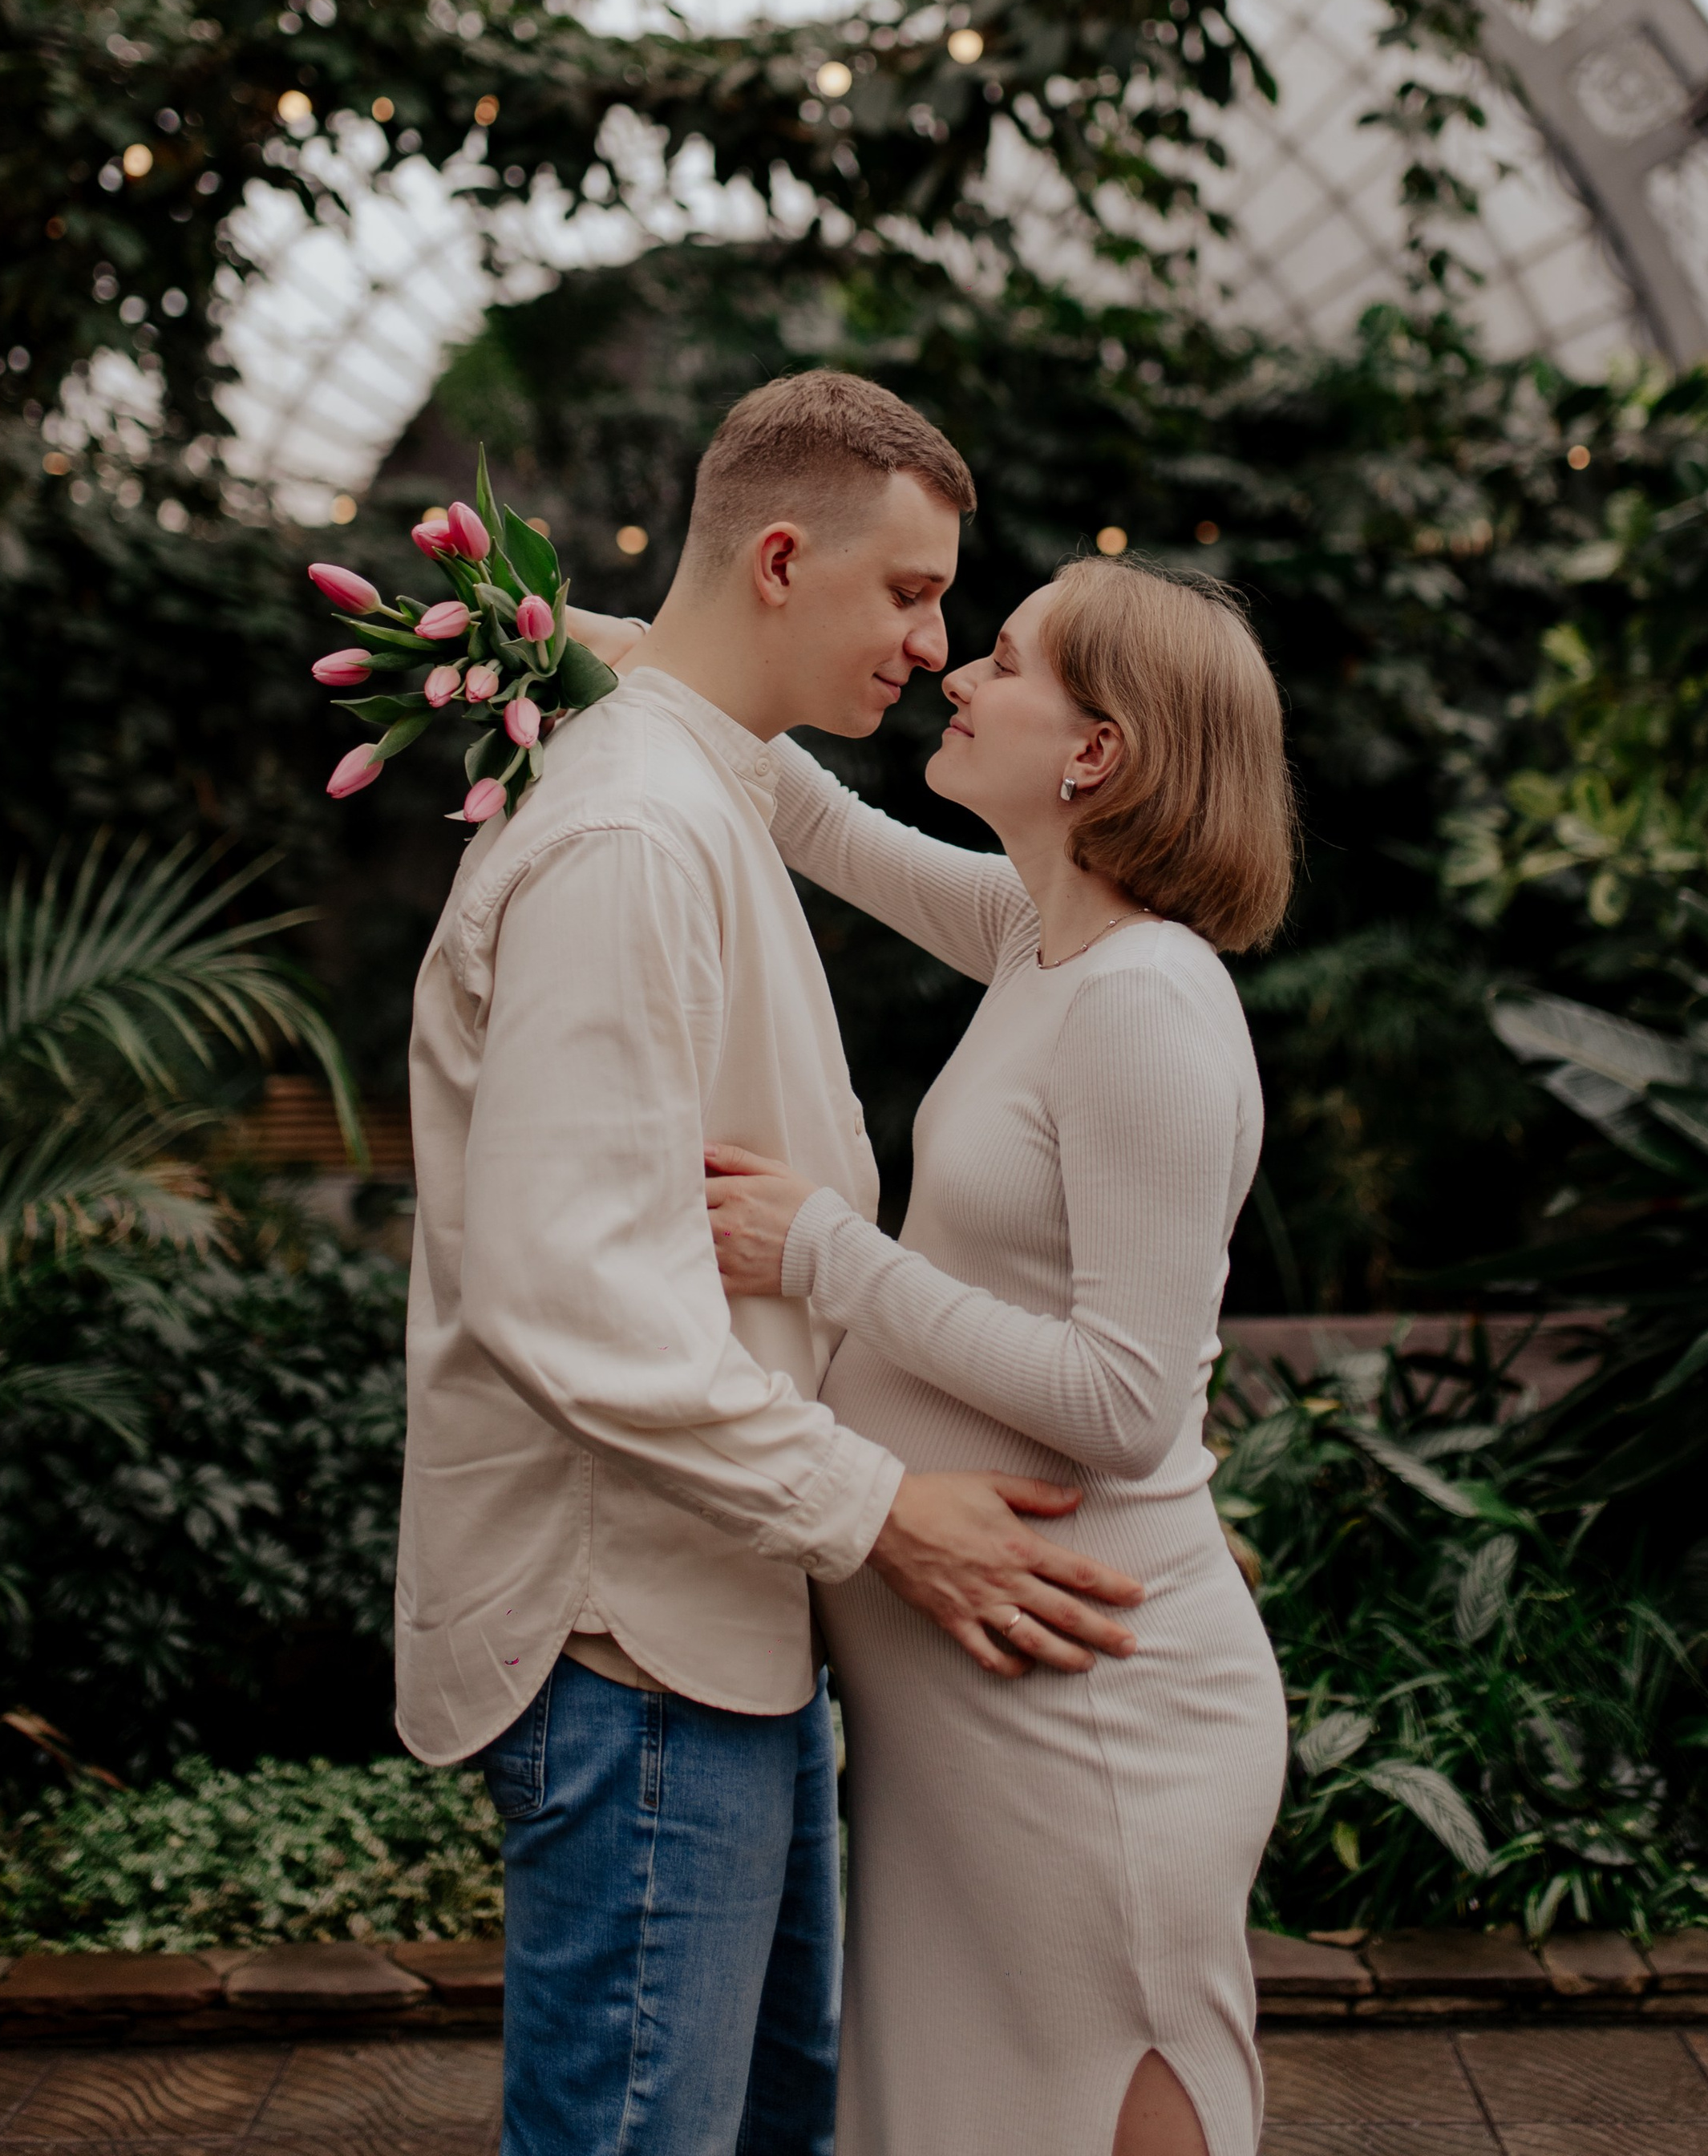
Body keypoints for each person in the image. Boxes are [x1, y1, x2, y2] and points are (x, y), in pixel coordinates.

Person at [396, 372, 1144, 2156]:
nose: (935, 641)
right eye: (909, 593)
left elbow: (892, 857)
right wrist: (880, 1508)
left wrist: (613, 652)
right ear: (787, 559)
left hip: (720, 1619)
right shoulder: (633, 836)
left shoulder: (702, 790)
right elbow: (563, 1287)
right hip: (633, 1637)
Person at [702, 553, 1297, 2156]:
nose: (957, 673)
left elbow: (1117, 1401)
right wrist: (581, 645)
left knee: (1104, 2092)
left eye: (1010, 662)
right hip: (976, 1706)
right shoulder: (1040, 940)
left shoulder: (1147, 1009)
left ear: (1092, 750)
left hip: (1092, 1704)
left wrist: (829, 1256)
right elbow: (814, 819)